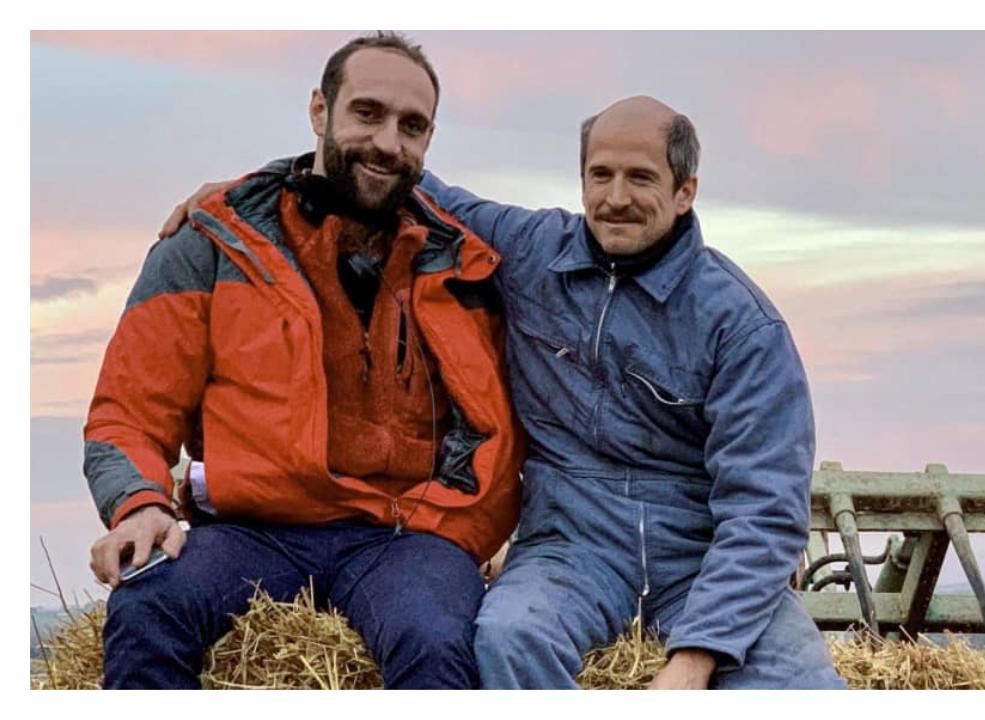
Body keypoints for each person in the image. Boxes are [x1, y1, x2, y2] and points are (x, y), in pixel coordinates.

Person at [166, 96, 843, 690]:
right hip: (570, 546)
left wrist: (695, 659)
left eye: (641, 177)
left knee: (802, 691)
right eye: (600, 174)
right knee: (506, 639)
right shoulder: (533, 250)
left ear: (686, 190)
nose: (615, 196)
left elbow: (765, 509)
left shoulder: (740, 324)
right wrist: (257, 192)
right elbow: (407, 185)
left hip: (699, 556)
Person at [86, 32, 522, 689]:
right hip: (246, 533)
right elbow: (127, 413)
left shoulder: (465, 265)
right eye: (367, 113)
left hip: (403, 539)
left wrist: (452, 537)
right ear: (319, 111)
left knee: (437, 643)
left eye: (412, 126)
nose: (387, 142)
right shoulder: (211, 240)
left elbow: (492, 434)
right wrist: (140, 505)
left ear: (429, 141)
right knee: (146, 609)